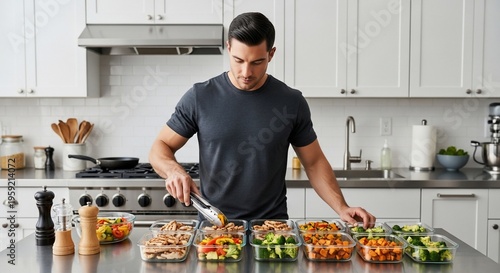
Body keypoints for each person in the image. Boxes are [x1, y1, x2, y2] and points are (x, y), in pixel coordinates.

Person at [149, 12, 376, 227]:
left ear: (271, 54)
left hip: (271, 229)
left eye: (257, 62)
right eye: (238, 60)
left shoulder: (291, 102)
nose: (246, 72)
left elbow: (314, 162)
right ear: (228, 48)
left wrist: (342, 207)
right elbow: (160, 147)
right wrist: (174, 170)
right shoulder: (200, 97)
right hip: (214, 228)